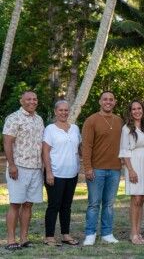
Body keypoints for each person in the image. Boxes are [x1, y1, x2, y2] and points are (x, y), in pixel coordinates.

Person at [3, 90, 45, 250]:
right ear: (22, 101)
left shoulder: (39, 119)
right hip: (19, 167)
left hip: (35, 167)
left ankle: (24, 238)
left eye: (35, 99)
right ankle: (11, 240)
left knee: (28, 204)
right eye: (28, 99)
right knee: (15, 203)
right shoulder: (14, 118)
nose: (32, 102)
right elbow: (7, 143)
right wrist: (11, 165)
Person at [82, 91, 124, 246]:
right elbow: (86, 146)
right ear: (100, 102)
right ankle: (90, 233)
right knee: (94, 203)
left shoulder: (119, 121)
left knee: (109, 204)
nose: (108, 102)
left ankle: (107, 233)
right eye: (105, 99)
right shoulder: (91, 120)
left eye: (111, 99)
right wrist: (88, 168)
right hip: (96, 169)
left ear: (114, 102)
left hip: (114, 169)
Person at [42, 100, 81, 246]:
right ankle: (49, 236)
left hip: (72, 173)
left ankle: (65, 234)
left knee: (67, 206)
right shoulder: (50, 129)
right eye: (61, 110)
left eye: (66, 110)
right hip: (55, 174)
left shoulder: (75, 128)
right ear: (55, 112)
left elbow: (79, 148)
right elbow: (45, 151)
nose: (64, 113)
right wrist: (49, 172)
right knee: (54, 205)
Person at [119, 100, 144, 245]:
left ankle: (138, 232)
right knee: (136, 200)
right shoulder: (126, 128)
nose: (137, 111)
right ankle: (133, 233)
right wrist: (131, 170)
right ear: (130, 112)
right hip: (134, 162)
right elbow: (124, 151)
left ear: (143, 110)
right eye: (133, 109)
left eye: (139, 108)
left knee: (142, 200)